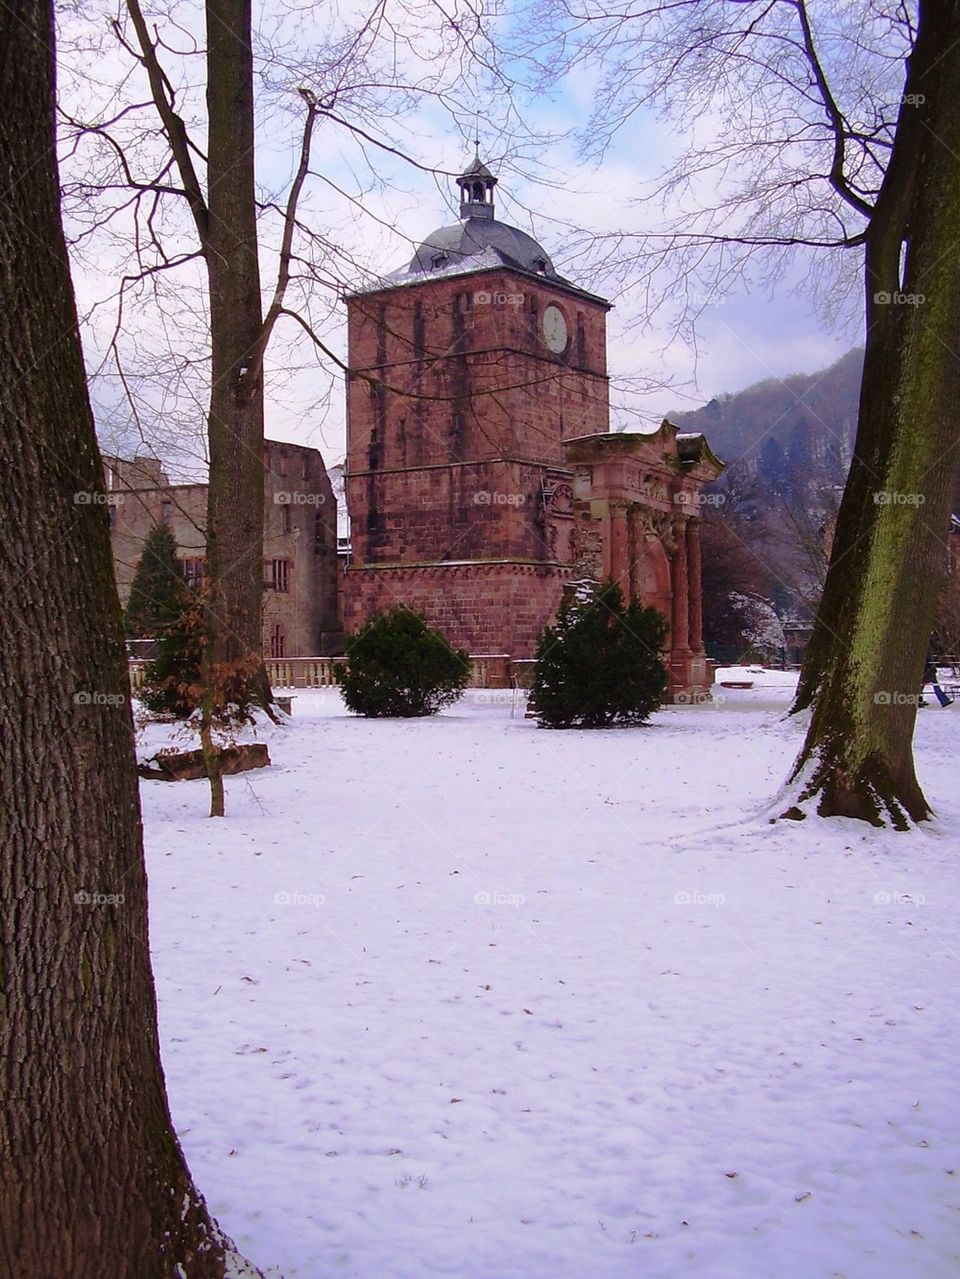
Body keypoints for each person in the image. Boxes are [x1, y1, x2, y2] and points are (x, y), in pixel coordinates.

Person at [921, 642, 954, 707]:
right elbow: (930, 658)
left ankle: (944, 700)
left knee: (932, 685)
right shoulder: (927, 646)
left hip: (927, 669)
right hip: (928, 669)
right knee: (935, 685)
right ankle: (944, 700)